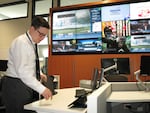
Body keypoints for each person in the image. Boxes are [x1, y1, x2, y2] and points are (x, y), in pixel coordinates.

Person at [2, 16, 53, 113]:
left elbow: (31, 63)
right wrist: (42, 89)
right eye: (41, 34)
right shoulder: (21, 43)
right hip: (16, 85)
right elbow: (23, 72)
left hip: (23, 83)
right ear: (32, 29)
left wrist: (40, 74)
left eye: (44, 36)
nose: (42, 38)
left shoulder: (31, 43)